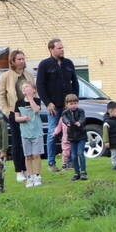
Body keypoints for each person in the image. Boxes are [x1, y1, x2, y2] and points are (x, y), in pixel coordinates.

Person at [36, 38, 79, 172]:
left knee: (71, 132)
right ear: (51, 49)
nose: (62, 50)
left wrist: (74, 101)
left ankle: (70, 162)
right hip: (54, 106)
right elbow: (40, 86)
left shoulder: (68, 63)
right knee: (52, 133)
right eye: (59, 48)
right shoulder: (44, 65)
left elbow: (75, 82)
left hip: (68, 106)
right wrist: (48, 103)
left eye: (62, 47)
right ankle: (51, 163)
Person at [0, 49, 36, 183]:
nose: (22, 61)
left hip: (28, 112)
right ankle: (19, 171)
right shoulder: (6, 76)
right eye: (19, 59)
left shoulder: (29, 75)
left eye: (23, 59)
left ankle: (27, 169)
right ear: (13, 61)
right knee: (17, 142)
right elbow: (1, 95)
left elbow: (34, 92)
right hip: (14, 112)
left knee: (28, 141)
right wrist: (7, 111)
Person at [13, 81, 44, 187]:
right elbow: (16, 118)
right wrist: (23, 118)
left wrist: (30, 98)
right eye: (23, 87)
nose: (25, 88)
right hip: (25, 133)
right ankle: (29, 177)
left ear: (33, 89)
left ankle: (37, 176)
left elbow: (36, 109)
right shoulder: (18, 102)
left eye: (27, 86)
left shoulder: (37, 100)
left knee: (36, 155)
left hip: (37, 132)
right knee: (28, 156)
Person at [60, 93, 87, 181]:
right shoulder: (65, 112)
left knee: (80, 153)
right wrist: (68, 123)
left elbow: (82, 118)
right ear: (67, 104)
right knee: (74, 156)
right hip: (72, 137)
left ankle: (83, 172)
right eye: (71, 104)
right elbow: (64, 119)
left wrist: (79, 122)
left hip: (81, 136)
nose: (73, 105)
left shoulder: (81, 111)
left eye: (75, 103)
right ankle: (76, 173)